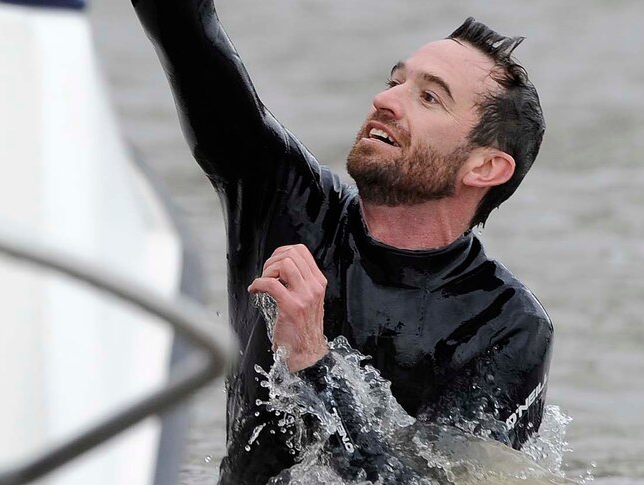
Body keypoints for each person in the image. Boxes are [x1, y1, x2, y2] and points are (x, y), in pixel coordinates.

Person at [131, 1, 553, 484]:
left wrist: (313, 361)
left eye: (429, 97)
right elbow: (184, 30)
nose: (386, 99)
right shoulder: (283, 198)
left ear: (485, 167)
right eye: (396, 81)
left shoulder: (507, 328)